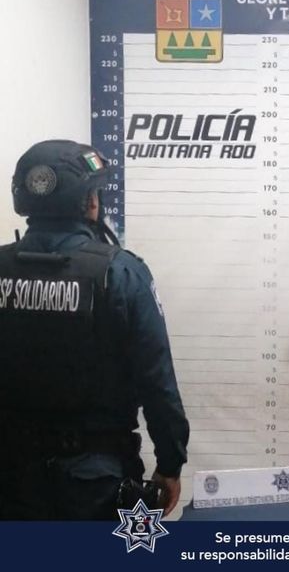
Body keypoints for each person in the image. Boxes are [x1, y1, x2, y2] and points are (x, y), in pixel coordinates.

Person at [0, 140, 189, 520]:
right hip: (95, 481)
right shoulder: (120, 273)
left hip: (11, 477)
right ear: (89, 201)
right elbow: (157, 381)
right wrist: (170, 464)